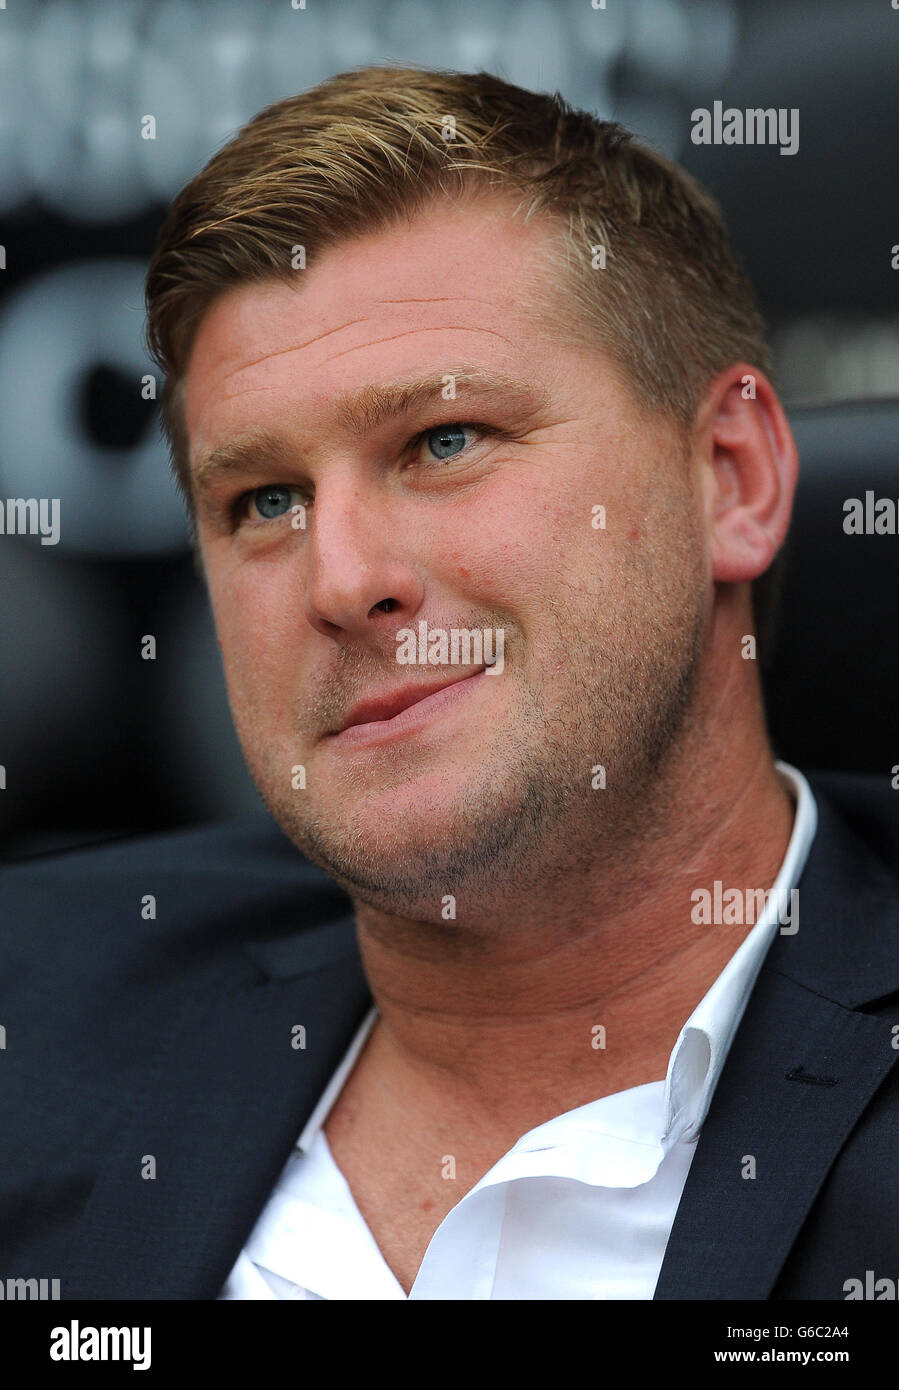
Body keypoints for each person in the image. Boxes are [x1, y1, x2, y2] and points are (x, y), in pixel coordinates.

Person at [1, 65, 897, 1302]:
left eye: (444, 440)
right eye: (264, 500)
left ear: (730, 479)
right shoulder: (31, 1015)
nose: (340, 578)